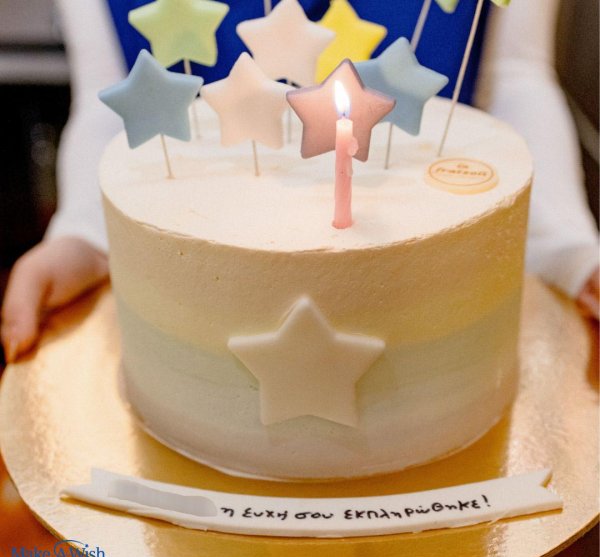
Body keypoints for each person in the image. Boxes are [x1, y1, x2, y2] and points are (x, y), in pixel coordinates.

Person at [1, 0, 598, 362]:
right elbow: (115, 97)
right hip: (200, 287)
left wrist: (566, 244)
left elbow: (515, 75)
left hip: (438, 291)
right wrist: (86, 234)